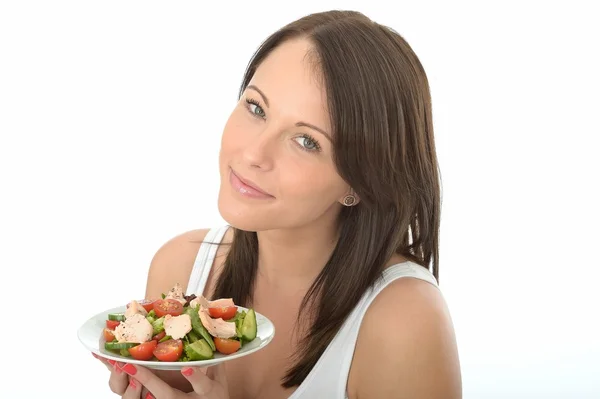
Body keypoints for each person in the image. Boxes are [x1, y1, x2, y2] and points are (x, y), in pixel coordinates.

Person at [94, 9, 462, 399]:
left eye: (307, 141)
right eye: (256, 108)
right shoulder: (180, 269)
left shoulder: (404, 321)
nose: (254, 153)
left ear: (359, 181)